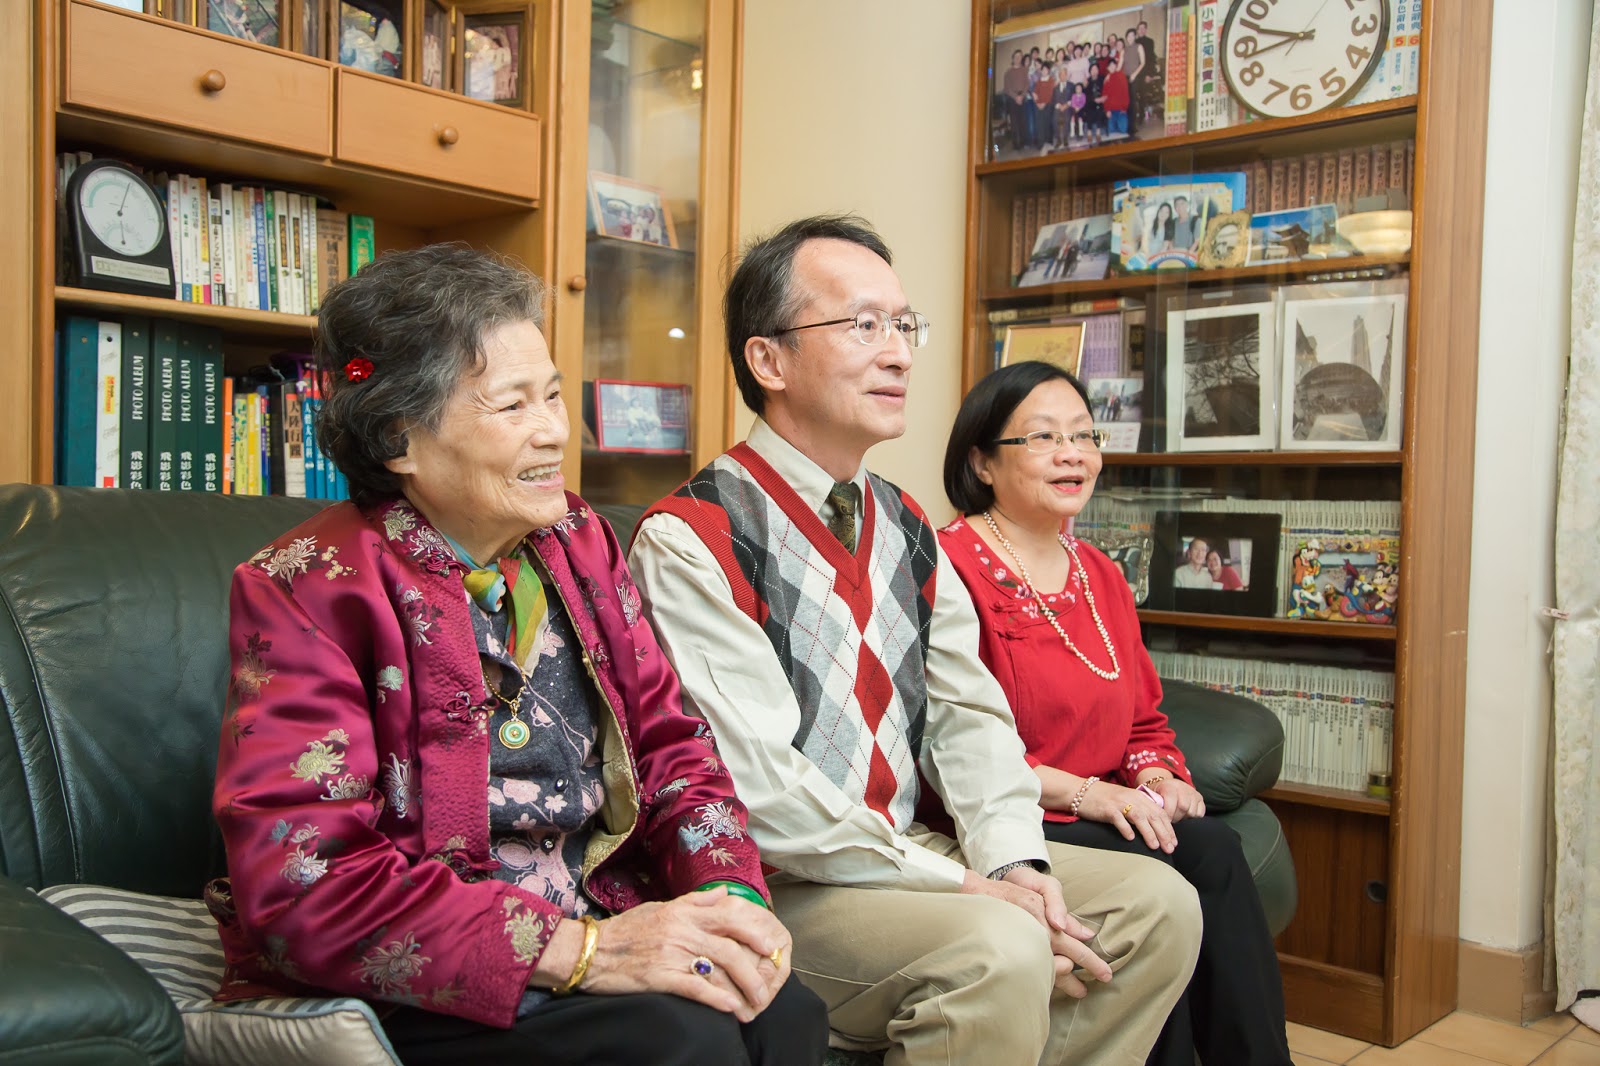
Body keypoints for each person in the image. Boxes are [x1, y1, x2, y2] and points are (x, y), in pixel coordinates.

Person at [206, 244, 827, 1066]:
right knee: (682, 1040)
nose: (556, 432)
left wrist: (724, 894)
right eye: (513, 406)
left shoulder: (579, 541)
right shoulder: (307, 587)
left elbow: (671, 746)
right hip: (429, 978)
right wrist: (586, 953)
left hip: (599, 920)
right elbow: (305, 879)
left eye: (555, 395)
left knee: (783, 1011)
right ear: (398, 439)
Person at [628, 216, 1201, 1066]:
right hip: (778, 882)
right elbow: (759, 792)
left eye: (904, 325)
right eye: (864, 325)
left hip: (904, 857)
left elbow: (969, 716)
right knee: (997, 948)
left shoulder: (904, 523)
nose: (898, 354)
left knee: (1158, 906)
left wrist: (1014, 864)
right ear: (769, 360)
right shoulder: (691, 537)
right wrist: (963, 885)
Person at [938, 360, 1293, 1066]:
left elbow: (1143, 721)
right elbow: (952, 743)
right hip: (1009, 814)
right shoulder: (949, 567)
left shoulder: (1099, 572)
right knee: (1203, 859)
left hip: (1107, 807)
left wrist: (1157, 776)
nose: (1073, 454)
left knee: (1203, 845)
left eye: (1084, 435)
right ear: (981, 462)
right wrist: (1091, 795)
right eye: (1043, 437)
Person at [1002, 49, 1029, 152]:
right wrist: (1015, 97)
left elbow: (1027, 84)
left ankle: (1023, 142)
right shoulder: (1008, 72)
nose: (1018, 58)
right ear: (1013, 58)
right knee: (1014, 123)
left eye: (1020, 56)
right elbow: (1007, 88)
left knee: (1023, 122)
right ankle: (1016, 144)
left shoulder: (1024, 70)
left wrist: (1022, 96)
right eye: (1016, 56)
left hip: (1023, 98)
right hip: (1012, 99)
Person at [1102, 56, 1132, 138]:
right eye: (1109, 66)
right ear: (1107, 68)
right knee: (1112, 133)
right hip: (1111, 111)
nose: (1111, 67)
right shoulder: (1106, 79)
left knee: (1123, 132)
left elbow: (1125, 93)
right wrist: (1107, 110)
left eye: (1113, 65)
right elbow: (1105, 96)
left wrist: (1124, 108)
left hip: (1121, 110)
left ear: (1116, 66)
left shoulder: (1121, 76)